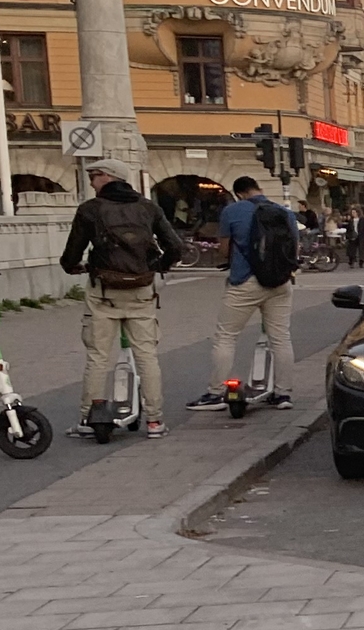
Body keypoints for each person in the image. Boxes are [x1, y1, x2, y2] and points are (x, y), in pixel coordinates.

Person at [59, 158, 182, 440]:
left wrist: (71, 267)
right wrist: (158, 267)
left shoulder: (91, 209)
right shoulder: (147, 207)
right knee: (147, 357)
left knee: (98, 357)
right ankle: (155, 421)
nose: (91, 181)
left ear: (109, 176)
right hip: (141, 290)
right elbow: (175, 246)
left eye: (95, 175)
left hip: (104, 292)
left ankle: (88, 419)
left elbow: (72, 253)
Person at [188, 176, 296, 413]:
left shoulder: (233, 211)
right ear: (259, 189)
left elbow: (224, 248)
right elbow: (294, 248)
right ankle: (283, 393)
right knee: (280, 337)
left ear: (239, 193)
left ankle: (215, 394)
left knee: (226, 336)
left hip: (244, 281)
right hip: (279, 282)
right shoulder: (284, 212)